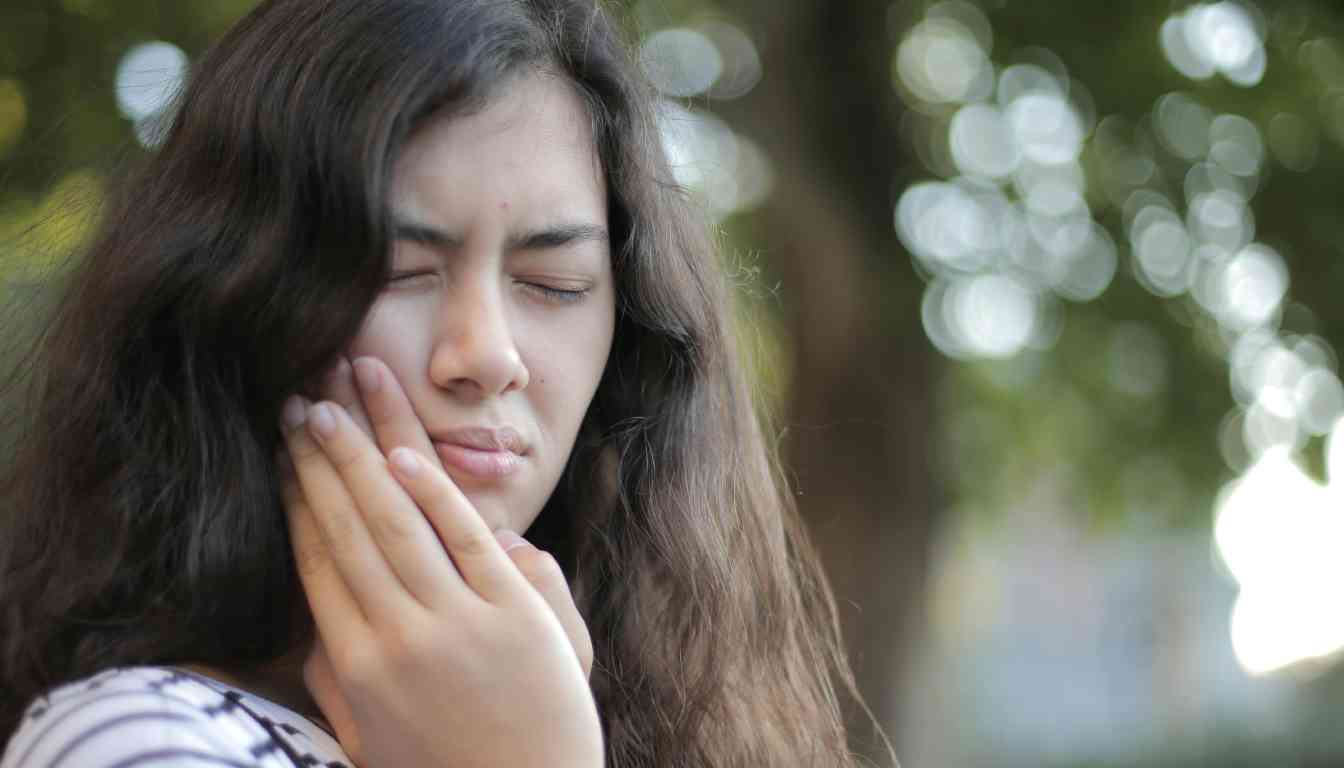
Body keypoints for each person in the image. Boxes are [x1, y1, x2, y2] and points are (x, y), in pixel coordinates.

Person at [0, 0, 886, 766]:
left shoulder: (668, 716)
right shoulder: (137, 738)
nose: (486, 354)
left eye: (555, 286)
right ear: (232, 300)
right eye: (398, 270)